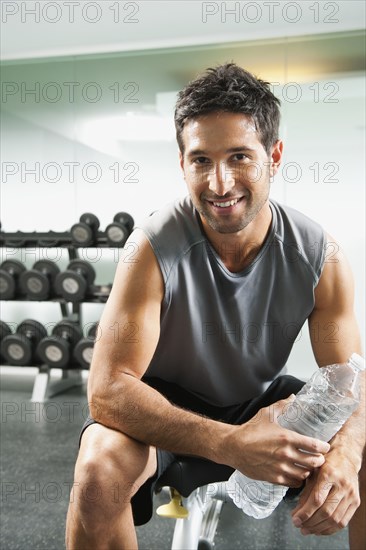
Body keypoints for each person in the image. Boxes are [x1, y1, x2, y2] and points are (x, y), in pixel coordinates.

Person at [65, 63, 365, 549]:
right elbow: (108, 392)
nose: (220, 184)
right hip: (162, 402)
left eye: (240, 157)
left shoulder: (320, 257)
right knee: (99, 470)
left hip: (257, 399)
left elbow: (350, 381)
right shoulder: (151, 249)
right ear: (182, 163)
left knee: (362, 447)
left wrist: (347, 453)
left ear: (275, 156)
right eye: (201, 160)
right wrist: (230, 443)